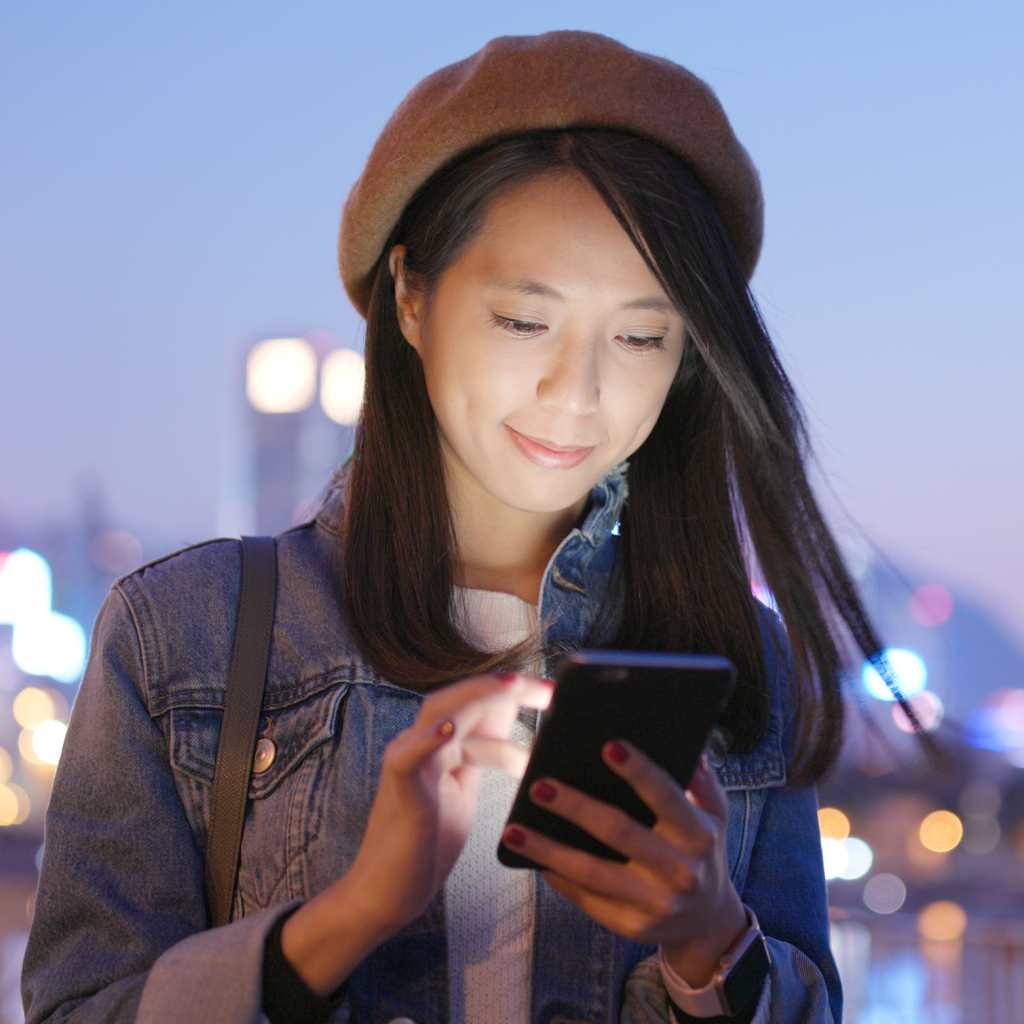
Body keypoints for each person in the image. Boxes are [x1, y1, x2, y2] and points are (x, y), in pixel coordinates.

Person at [22, 30, 894, 1024]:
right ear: (410, 295)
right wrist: (348, 916)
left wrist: (710, 946)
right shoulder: (183, 633)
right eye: (523, 322)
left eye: (642, 335)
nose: (578, 391)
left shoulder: (739, 659)